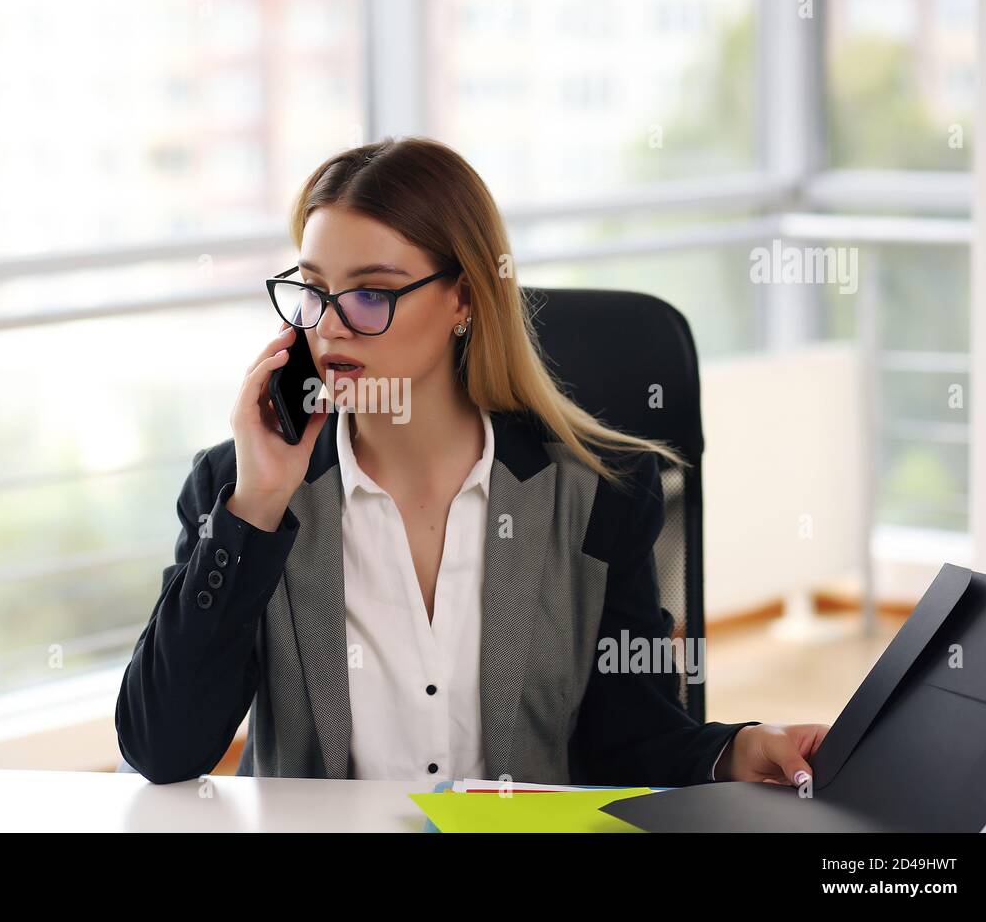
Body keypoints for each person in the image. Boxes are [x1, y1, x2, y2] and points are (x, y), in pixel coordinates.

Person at [116, 136, 828, 787]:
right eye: (313, 290)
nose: (330, 325)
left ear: (463, 297)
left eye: (370, 294)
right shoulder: (239, 488)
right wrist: (256, 508)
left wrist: (734, 750)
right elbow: (163, 748)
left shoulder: (596, 492)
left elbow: (630, 738)